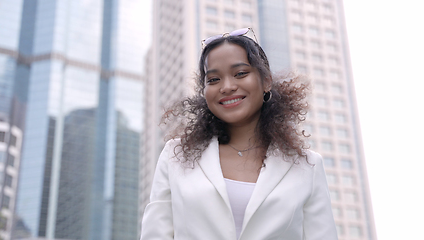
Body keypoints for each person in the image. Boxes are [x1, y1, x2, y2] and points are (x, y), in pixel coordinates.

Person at [140, 28, 338, 240]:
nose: (226, 87)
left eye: (240, 73)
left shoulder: (308, 165)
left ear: (266, 81)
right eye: (213, 79)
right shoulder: (175, 156)